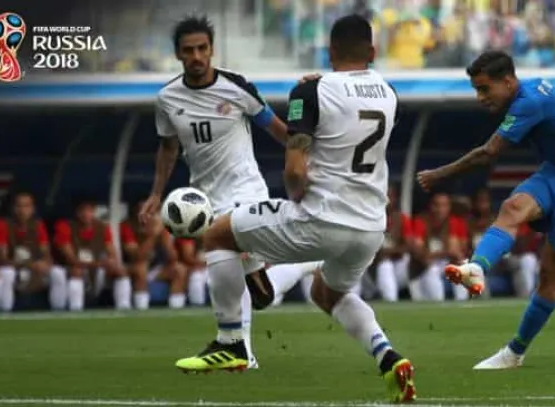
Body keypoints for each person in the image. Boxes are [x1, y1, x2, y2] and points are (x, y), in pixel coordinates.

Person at [198, 15, 415, 402]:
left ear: (330, 51)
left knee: (217, 234)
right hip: (369, 226)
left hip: (322, 217)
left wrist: (296, 197)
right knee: (326, 294)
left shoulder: (309, 92)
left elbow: (295, 169)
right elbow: (354, 116)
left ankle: (231, 342)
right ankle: (387, 355)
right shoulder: (390, 93)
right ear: (373, 51)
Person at [140, 15, 321, 371]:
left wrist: (310, 164)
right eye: (189, 50)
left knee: (228, 262)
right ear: (178, 54)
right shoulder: (167, 99)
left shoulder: (236, 88)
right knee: (260, 293)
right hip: (204, 199)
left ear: (212, 50)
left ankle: (240, 351)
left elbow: (279, 131)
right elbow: (168, 148)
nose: (196, 56)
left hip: (245, 191)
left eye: (202, 48)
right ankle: (307, 263)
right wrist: (156, 193)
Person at [417, 50, 555, 369]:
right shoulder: (529, 93)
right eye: (476, 90)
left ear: (508, 81)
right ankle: (477, 266)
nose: (480, 97)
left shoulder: (529, 102)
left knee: (549, 271)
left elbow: (489, 153)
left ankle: (515, 352)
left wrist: (439, 174)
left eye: (485, 89)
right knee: (512, 207)